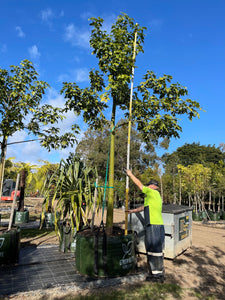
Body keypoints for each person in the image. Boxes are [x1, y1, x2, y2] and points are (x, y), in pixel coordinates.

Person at [126, 169, 165, 283]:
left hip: (154, 225)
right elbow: (144, 207)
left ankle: (157, 276)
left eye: (149, 186)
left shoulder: (152, 192)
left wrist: (130, 174)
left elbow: (139, 184)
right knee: (154, 249)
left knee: (154, 249)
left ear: (153, 186)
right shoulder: (154, 197)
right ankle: (157, 273)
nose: (147, 188)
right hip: (155, 225)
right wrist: (133, 211)